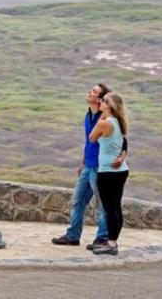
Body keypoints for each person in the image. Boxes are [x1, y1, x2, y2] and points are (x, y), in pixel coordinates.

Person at [52, 83, 126, 250]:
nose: (89, 92)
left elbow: (122, 140)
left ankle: (102, 238)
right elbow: (88, 141)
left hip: (101, 168)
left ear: (100, 100)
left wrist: (122, 156)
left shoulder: (105, 119)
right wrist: (83, 161)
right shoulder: (88, 116)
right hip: (88, 165)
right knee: (78, 201)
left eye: (93, 91)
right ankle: (72, 236)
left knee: (102, 206)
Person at [89, 92, 130, 255]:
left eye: (104, 101)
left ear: (110, 106)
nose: (100, 102)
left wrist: (100, 118)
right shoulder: (120, 123)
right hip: (121, 171)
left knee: (109, 208)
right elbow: (124, 142)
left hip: (107, 171)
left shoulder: (104, 123)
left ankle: (111, 244)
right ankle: (112, 241)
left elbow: (92, 138)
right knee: (116, 206)